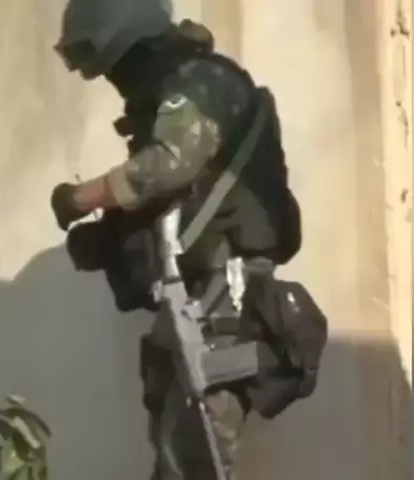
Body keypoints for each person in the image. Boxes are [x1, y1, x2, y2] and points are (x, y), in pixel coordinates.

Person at [50, 1, 304, 479]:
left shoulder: (203, 82)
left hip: (222, 305)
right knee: (177, 462)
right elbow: (176, 206)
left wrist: (82, 198)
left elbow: (169, 165)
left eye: (113, 67)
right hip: (190, 309)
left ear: (132, 46)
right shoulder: (175, 90)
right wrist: (113, 240)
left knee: (192, 464)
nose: (114, 82)